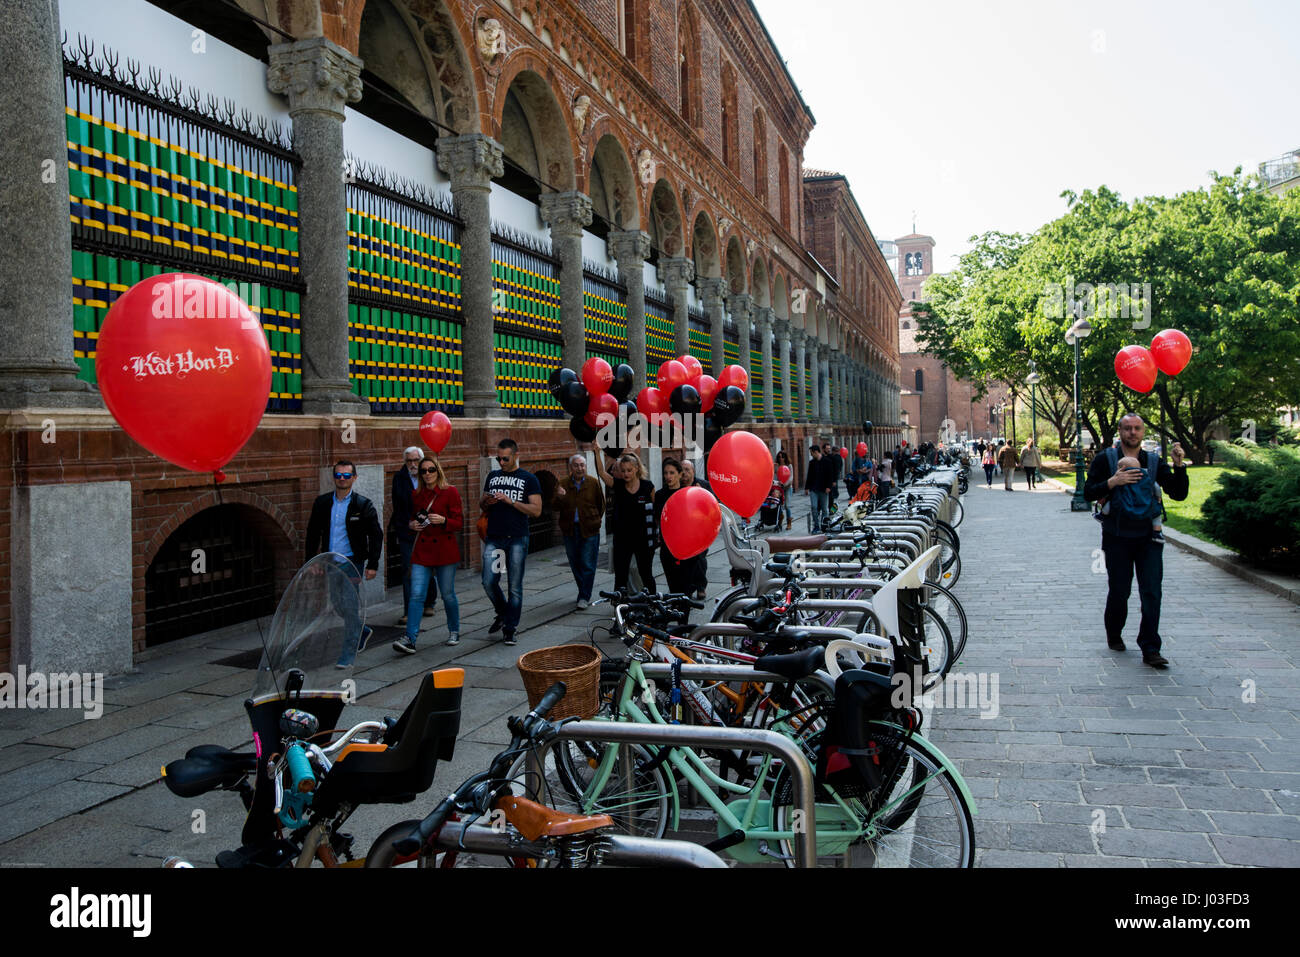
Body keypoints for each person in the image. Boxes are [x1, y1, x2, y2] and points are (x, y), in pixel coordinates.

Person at [1085, 413, 1188, 668]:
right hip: (1116, 536)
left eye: (1137, 428)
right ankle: (1114, 632)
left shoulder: (1153, 461)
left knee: (1152, 592)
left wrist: (1178, 466)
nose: (1132, 432)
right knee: (1120, 591)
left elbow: (1179, 494)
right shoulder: (1106, 459)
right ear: (1120, 431)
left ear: (1143, 432)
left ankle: (1151, 647)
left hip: (1149, 538)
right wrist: (1113, 481)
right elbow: (1088, 492)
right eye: (1128, 428)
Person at [305, 459, 383, 667]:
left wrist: (373, 564)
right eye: (338, 475)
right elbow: (313, 533)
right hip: (331, 562)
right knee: (338, 604)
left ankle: (348, 654)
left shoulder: (362, 505)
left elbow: (376, 535)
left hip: (352, 562)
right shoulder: (322, 503)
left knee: (349, 606)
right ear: (334, 478)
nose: (342, 479)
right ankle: (362, 630)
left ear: (354, 478)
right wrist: (311, 560)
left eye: (346, 475)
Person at [393, 457, 462, 653]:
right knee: (416, 595)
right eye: (423, 471)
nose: (427, 473)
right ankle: (410, 638)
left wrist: (444, 520)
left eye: (431, 469)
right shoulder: (417, 495)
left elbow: (459, 522)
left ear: (438, 471)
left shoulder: (451, 492)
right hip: (422, 551)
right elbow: (414, 519)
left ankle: (454, 630)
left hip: (445, 551)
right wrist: (411, 525)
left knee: (447, 594)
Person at [480, 438, 542, 647]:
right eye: (498, 458)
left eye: (505, 458)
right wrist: (486, 501)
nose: (501, 462)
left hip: (516, 539)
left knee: (514, 585)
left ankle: (510, 629)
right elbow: (482, 504)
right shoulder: (493, 476)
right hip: (495, 537)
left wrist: (511, 501)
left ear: (516, 455)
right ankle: (504, 612)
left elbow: (536, 510)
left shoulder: (529, 479)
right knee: (489, 581)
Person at [594, 450, 657, 593]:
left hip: (643, 540)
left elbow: (656, 510)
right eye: (623, 471)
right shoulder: (618, 485)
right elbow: (602, 473)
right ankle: (619, 606)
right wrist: (597, 452)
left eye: (629, 470)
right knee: (620, 575)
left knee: (646, 573)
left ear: (636, 469)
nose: (626, 474)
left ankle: (653, 601)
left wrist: (657, 535)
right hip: (622, 539)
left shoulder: (648, 486)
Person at [389, 446, 436, 626]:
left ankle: (430, 601)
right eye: (409, 461)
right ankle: (409, 611)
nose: (413, 464)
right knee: (408, 569)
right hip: (408, 531)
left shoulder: (429, 474)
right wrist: (407, 524)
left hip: (429, 531)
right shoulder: (399, 478)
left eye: (416, 460)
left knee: (429, 567)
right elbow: (398, 508)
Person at [552, 452, 605, 610]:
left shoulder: (593, 483)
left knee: (588, 564)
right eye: (576, 465)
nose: (579, 468)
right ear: (571, 468)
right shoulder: (562, 484)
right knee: (575, 563)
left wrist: (594, 520)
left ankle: (584, 596)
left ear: (585, 467)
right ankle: (584, 590)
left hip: (589, 529)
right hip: (570, 530)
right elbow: (554, 506)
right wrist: (560, 497)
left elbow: (601, 505)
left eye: (582, 465)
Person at [654, 458, 695, 596]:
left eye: (672, 473)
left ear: (679, 474)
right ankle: (675, 611)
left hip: (686, 545)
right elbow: (658, 518)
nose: (668, 476)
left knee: (686, 584)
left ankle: (684, 615)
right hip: (667, 546)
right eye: (666, 473)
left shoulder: (687, 493)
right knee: (672, 584)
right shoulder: (660, 495)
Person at [1107, 455, 1166, 543]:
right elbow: (1156, 487)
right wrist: (1158, 497)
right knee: (1156, 513)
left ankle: (1102, 514)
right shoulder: (1146, 477)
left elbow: (1111, 490)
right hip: (1145, 502)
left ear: (1121, 468)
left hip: (1125, 503)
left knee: (1108, 505)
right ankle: (1157, 532)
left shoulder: (1120, 478)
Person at [679, 458, 712, 599]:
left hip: (701, 530)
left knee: (700, 559)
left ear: (693, 471)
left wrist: (701, 495)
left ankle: (700, 587)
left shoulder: (703, 485)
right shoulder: (677, 486)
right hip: (684, 530)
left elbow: (714, 505)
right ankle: (688, 587)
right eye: (682, 470)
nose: (685, 473)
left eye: (688, 470)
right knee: (686, 560)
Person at [806, 443, 829, 531]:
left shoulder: (827, 461)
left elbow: (830, 475)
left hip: (823, 489)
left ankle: (824, 525)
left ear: (816, 452)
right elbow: (809, 475)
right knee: (814, 507)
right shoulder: (812, 463)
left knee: (824, 509)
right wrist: (807, 487)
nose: (811, 455)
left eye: (812, 453)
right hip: (814, 489)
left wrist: (828, 486)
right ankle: (816, 525)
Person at [774, 450, 794, 530]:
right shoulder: (777, 466)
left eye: (782, 457)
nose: (781, 458)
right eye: (779, 457)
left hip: (788, 488)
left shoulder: (789, 466)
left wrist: (784, 484)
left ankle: (789, 522)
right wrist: (773, 466)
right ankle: (780, 519)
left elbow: (791, 478)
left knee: (787, 506)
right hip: (779, 488)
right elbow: (772, 473)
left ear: (785, 457)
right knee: (778, 504)